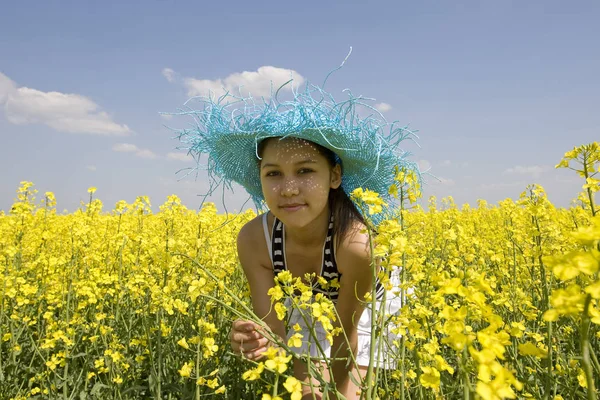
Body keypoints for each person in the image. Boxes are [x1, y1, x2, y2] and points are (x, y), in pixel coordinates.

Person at [171, 69, 416, 399]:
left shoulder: (357, 246)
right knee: (305, 393)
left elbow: (346, 336)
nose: (287, 189)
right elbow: (274, 334)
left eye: (305, 171)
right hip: (310, 301)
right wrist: (255, 341)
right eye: (273, 173)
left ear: (334, 176)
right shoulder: (254, 241)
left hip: (368, 303)